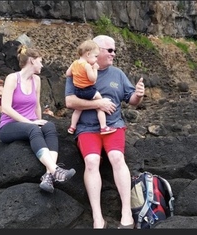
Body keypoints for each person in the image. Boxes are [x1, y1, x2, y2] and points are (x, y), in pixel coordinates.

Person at [65, 35, 145, 229]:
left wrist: (139, 94)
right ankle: (97, 217)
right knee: (91, 162)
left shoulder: (117, 74)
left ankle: (126, 211)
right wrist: (97, 103)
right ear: (96, 50)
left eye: (114, 50)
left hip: (113, 126)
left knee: (117, 157)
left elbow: (131, 100)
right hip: (87, 128)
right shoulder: (77, 70)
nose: (113, 54)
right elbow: (69, 102)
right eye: (110, 50)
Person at [0, 44, 76, 194]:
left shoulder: (37, 80)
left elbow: (37, 106)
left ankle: (48, 175)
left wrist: (39, 122)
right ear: (32, 61)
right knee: (34, 128)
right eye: (40, 61)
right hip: (9, 126)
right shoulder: (12, 79)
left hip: (30, 124)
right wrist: (32, 123)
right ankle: (55, 170)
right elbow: (6, 108)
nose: (42, 64)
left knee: (49, 126)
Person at [66, 39, 117, 135]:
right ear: (88, 54)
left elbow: (68, 73)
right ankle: (103, 127)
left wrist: (77, 75)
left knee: (78, 109)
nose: (96, 59)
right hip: (88, 90)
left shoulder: (75, 63)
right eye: (96, 56)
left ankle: (72, 127)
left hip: (78, 90)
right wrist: (95, 69)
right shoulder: (87, 66)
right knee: (100, 105)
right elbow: (93, 79)